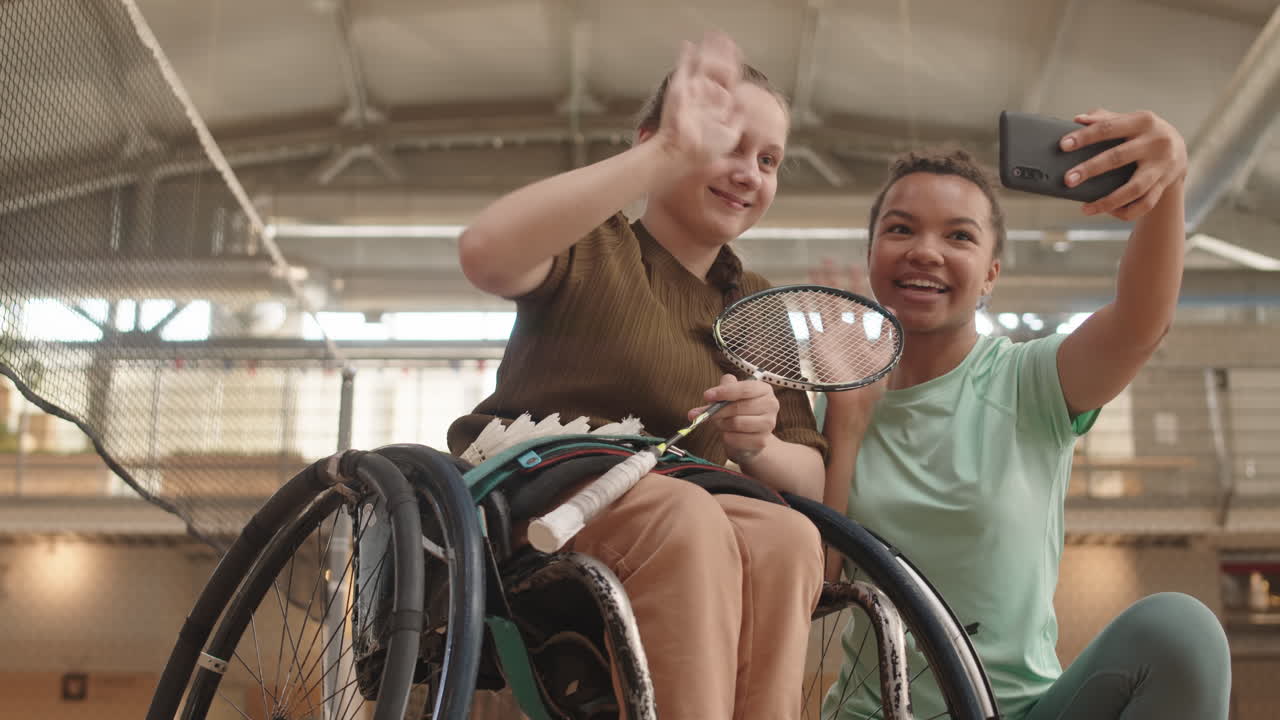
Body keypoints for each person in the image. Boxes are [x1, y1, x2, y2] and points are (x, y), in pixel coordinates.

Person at [447, 32, 827, 720]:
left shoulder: (760, 307)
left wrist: (762, 447)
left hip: (690, 506)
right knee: (688, 518)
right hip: (538, 501)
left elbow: (812, 482)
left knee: (788, 536)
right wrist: (665, 155)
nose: (750, 172)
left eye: (769, 160)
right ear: (655, 137)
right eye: (728, 144)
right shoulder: (596, 244)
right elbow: (484, 252)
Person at [819, 112, 1231, 720]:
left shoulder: (1029, 381)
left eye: (958, 236)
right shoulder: (833, 396)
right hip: (875, 712)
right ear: (874, 251)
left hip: (1016, 709)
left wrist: (1165, 187)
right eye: (901, 229)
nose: (925, 252)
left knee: (1181, 629)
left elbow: (1141, 325)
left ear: (991, 274)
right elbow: (817, 588)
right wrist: (847, 425)